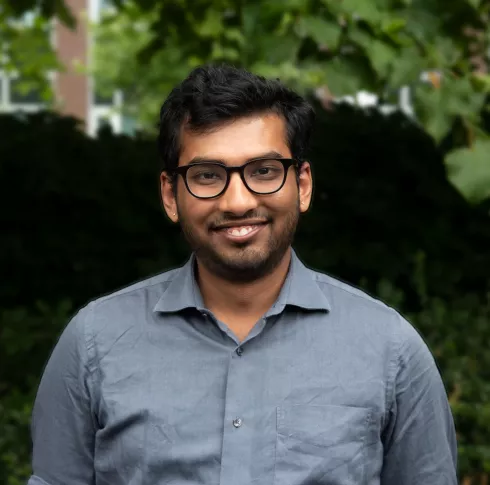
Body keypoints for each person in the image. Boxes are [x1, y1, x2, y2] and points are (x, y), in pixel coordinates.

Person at [28, 64, 457, 485]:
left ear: (302, 185)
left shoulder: (390, 350)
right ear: (170, 195)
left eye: (264, 172)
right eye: (207, 176)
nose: (237, 201)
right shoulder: (93, 343)